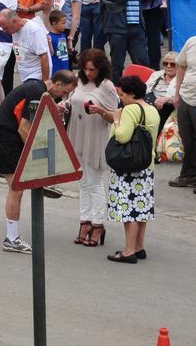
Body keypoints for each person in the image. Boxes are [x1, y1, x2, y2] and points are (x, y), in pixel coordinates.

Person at [0, 70, 79, 253]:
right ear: (57, 84)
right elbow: (23, 128)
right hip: (4, 136)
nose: (64, 96)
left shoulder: (38, 88)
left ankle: (32, 180)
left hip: (6, 135)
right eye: (64, 92)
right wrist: (34, 154)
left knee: (18, 185)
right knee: (17, 188)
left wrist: (53, 105)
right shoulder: (36, 92)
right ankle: (12, 239)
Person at [90, 75, 159, 263]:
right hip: (146, 165)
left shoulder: (130, 110)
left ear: (132, 94)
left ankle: (129, 251)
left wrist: (117, 119)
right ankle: (139, 246)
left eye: (122, 95)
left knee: (129, 211)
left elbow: (121, 136)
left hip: (128, 167)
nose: (121, 99)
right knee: (141, 209)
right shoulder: (152, 110)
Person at [65, 49, 119, 248]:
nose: (88, 73)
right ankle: (84, 221)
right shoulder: (79, 82)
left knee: (95, 182)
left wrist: (101, 111)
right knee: (82, 181)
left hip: (96, 135)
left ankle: (97, 224)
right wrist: (65, 105)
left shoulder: (107, 86)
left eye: (92, 70)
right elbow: (73, 101)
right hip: (78, 133)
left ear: (101, 69)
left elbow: (115, 115)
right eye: (85, 69)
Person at [169, 17, 196, 193]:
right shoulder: (191, 42)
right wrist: (177, 93)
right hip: (186, 97)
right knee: (187, 138)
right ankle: (189, 173)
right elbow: (181, 66)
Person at [46, 10, 71, 76]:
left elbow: (64, 51)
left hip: (65, 67)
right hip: (56, 70)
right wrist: (49, 42)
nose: (65, 26)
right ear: (54, 24)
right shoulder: (50, 37)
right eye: (63, 23)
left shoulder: (63, 35)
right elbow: (50, 54)